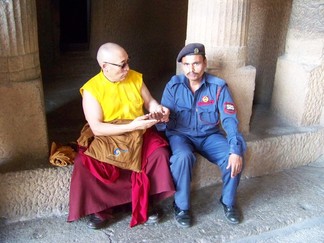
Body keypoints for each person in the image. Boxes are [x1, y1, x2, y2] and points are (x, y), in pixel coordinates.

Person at [67, 42, 175, 229]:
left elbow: (150, 102)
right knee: (85, 163)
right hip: (109, 134)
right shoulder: (92, 89)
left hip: (139, 130)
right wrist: (130, 126)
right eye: (122, 65)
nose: (128, 68)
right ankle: (102, 209)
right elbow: (98, 128)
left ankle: (144, 201)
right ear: (105, 67)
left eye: (128, 62)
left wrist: (159, 110)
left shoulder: (135, 78)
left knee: (159, 153)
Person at [159, 43, 247, 228]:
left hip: (209, 136)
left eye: (196, 64)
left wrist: (235, 149)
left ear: (205, 63)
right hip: (180, 136)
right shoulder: (173, 85)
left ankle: (228, 202)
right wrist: (162, 117)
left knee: (233, 157)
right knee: (183, 157)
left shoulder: (218, 87)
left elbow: (230, 120)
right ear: (182, 66)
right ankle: (181, 206)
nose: (191, 69)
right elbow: (162, 115)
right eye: (187, 65)